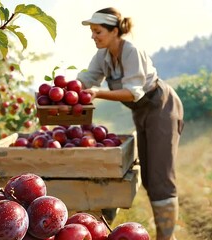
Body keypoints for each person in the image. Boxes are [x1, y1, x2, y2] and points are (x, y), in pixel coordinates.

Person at [77, 7, 184, 240]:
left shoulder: (131, 51)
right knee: (148, 175)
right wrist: (67, 89)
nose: (93, 36)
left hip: (161, 107)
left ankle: (167, 237)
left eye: (98, 32)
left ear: (115, 31)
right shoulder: (103, 56)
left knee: (160, 176)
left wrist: (97, 93)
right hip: (142, 111)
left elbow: (133, 93)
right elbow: (86, 79)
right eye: (92, 32)